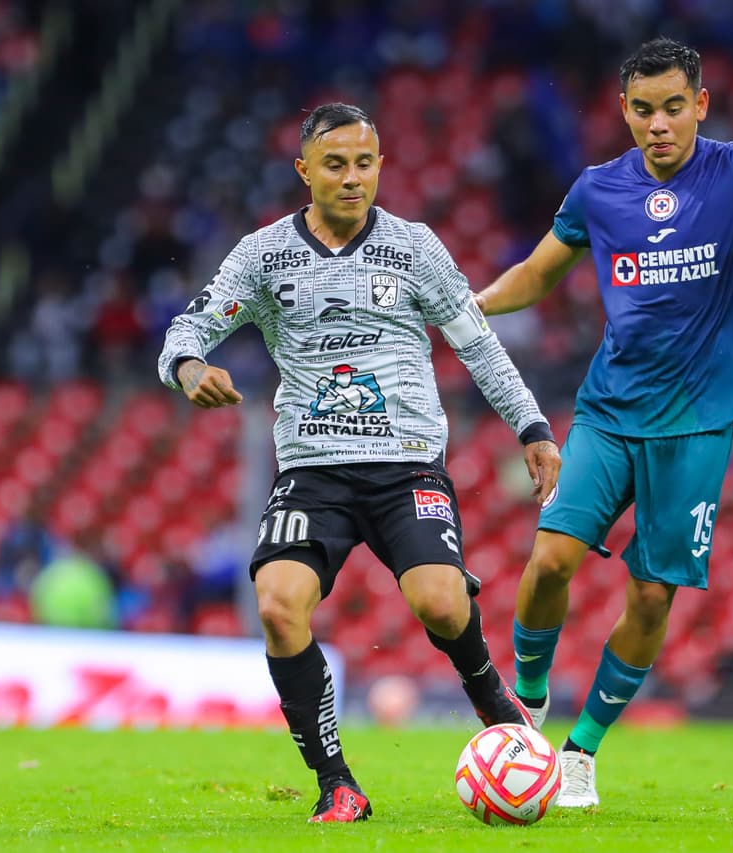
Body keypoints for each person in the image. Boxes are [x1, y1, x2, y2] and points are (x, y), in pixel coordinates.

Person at [474, 38, 733, 806]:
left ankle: (582, 751)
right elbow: (534, 274)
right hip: (610, 409)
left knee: (653, 595)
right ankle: (526, 699)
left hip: (697, 422)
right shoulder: (597, 190)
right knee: (551, 557)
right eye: (642, 110)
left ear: (701, 104)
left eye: (672, 108)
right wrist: (469, 307)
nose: (657, 124)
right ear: (623, 110)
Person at [158, 103, 560, 823]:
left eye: (365, 163)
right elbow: (190, 323)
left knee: (440, 602)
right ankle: (337, 782)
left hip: (407, 464)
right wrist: (188, 365)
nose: (351, 178)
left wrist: (529, 422)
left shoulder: (416, 247)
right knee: (280, 608)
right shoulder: (262, 256)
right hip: (312, 469)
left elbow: (476, 342)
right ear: (304, 171)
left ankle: (491, 696)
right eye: (335, 164)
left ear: (380, 166)